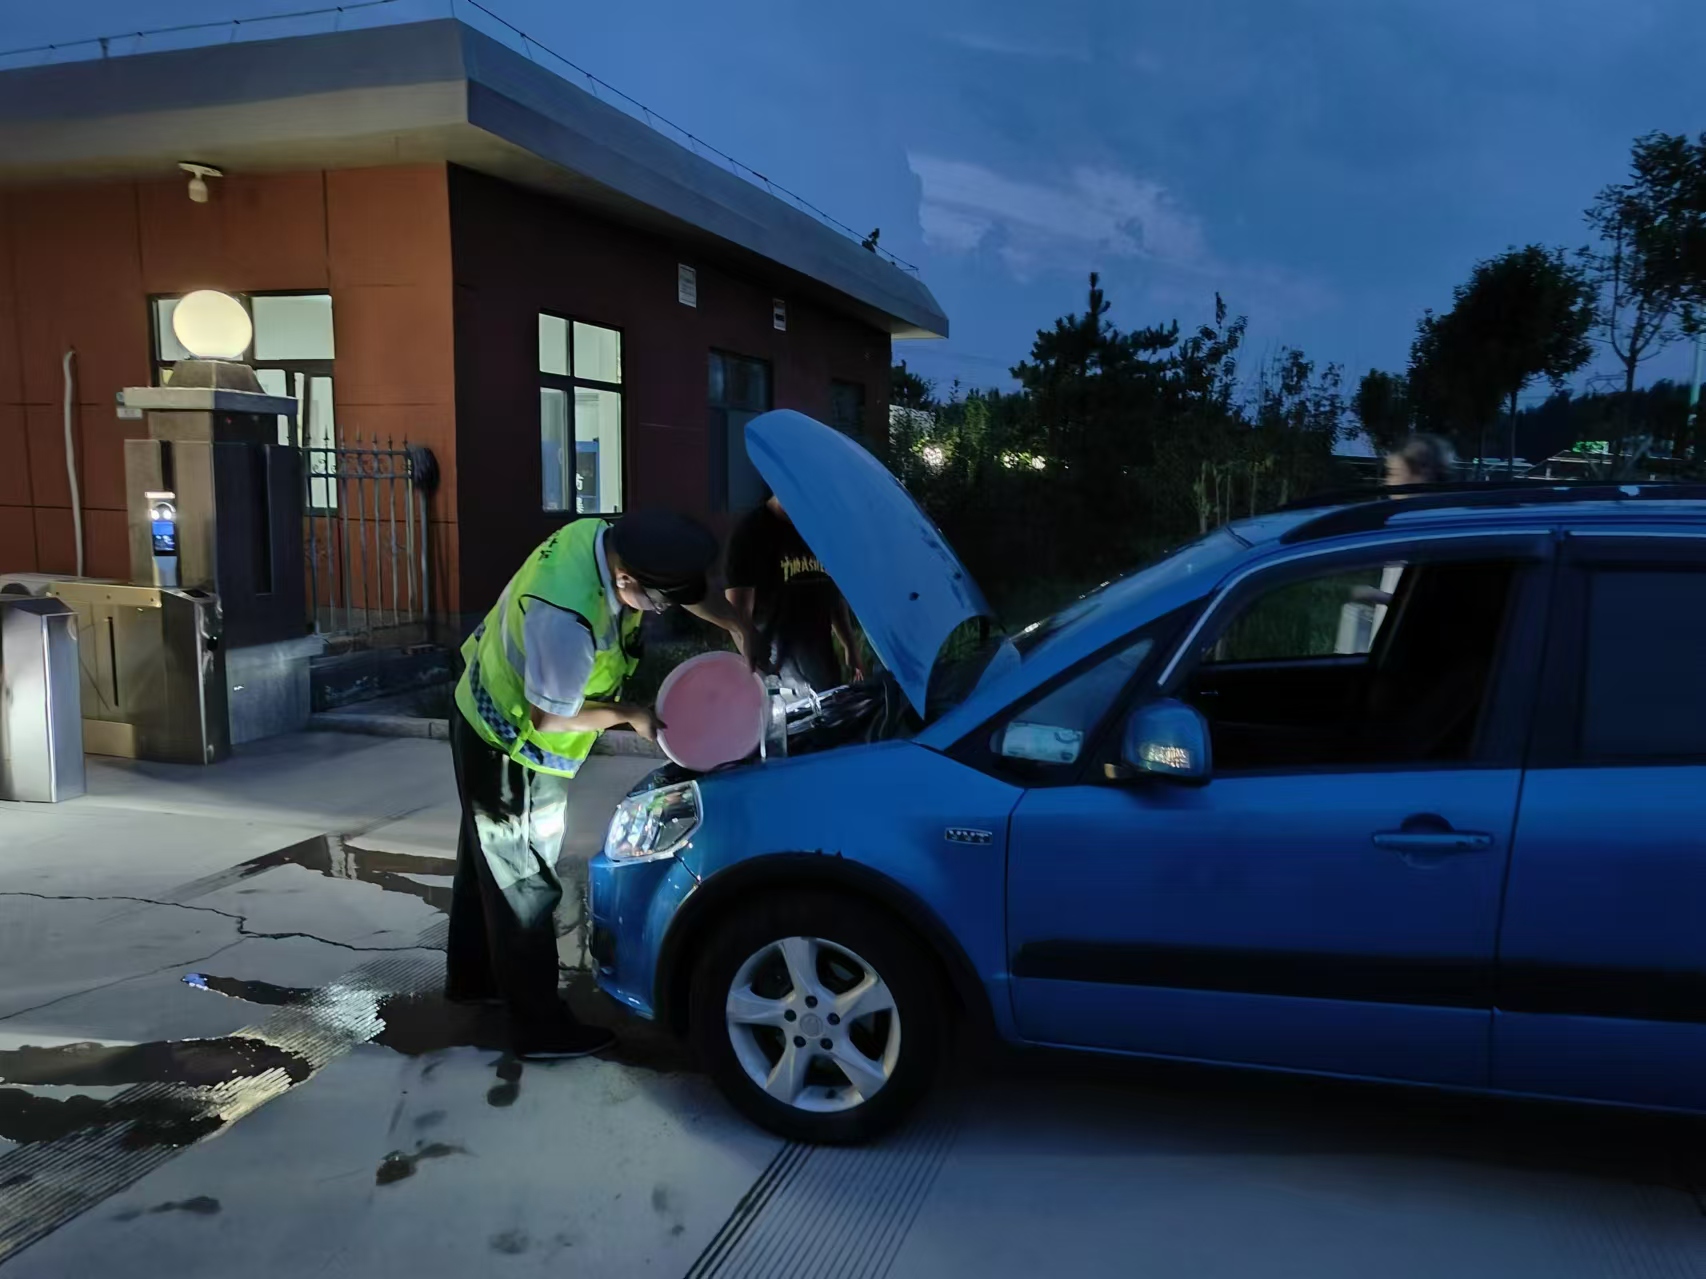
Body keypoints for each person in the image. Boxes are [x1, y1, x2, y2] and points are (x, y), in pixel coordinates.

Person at [446, 509, 753, 1059]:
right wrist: (630, 714)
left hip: (480, 704)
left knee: (486, 860)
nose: (661, 613)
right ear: (625, 581)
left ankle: (478, 981)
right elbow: (548, 719)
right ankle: (538, 1029)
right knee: (524, 881)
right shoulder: (565, 619)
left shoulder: (607, 539)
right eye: (656, 603)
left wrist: (738, 625)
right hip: (510, 742)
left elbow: (683, 589)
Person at [724, 490, 864, 696]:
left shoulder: (818, 530)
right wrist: (754, 661)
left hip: (821, 655)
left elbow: (832, 595)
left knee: (829, 714)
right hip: (775, 662)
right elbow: (736, 610)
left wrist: (850, 646)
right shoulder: (751, 531)